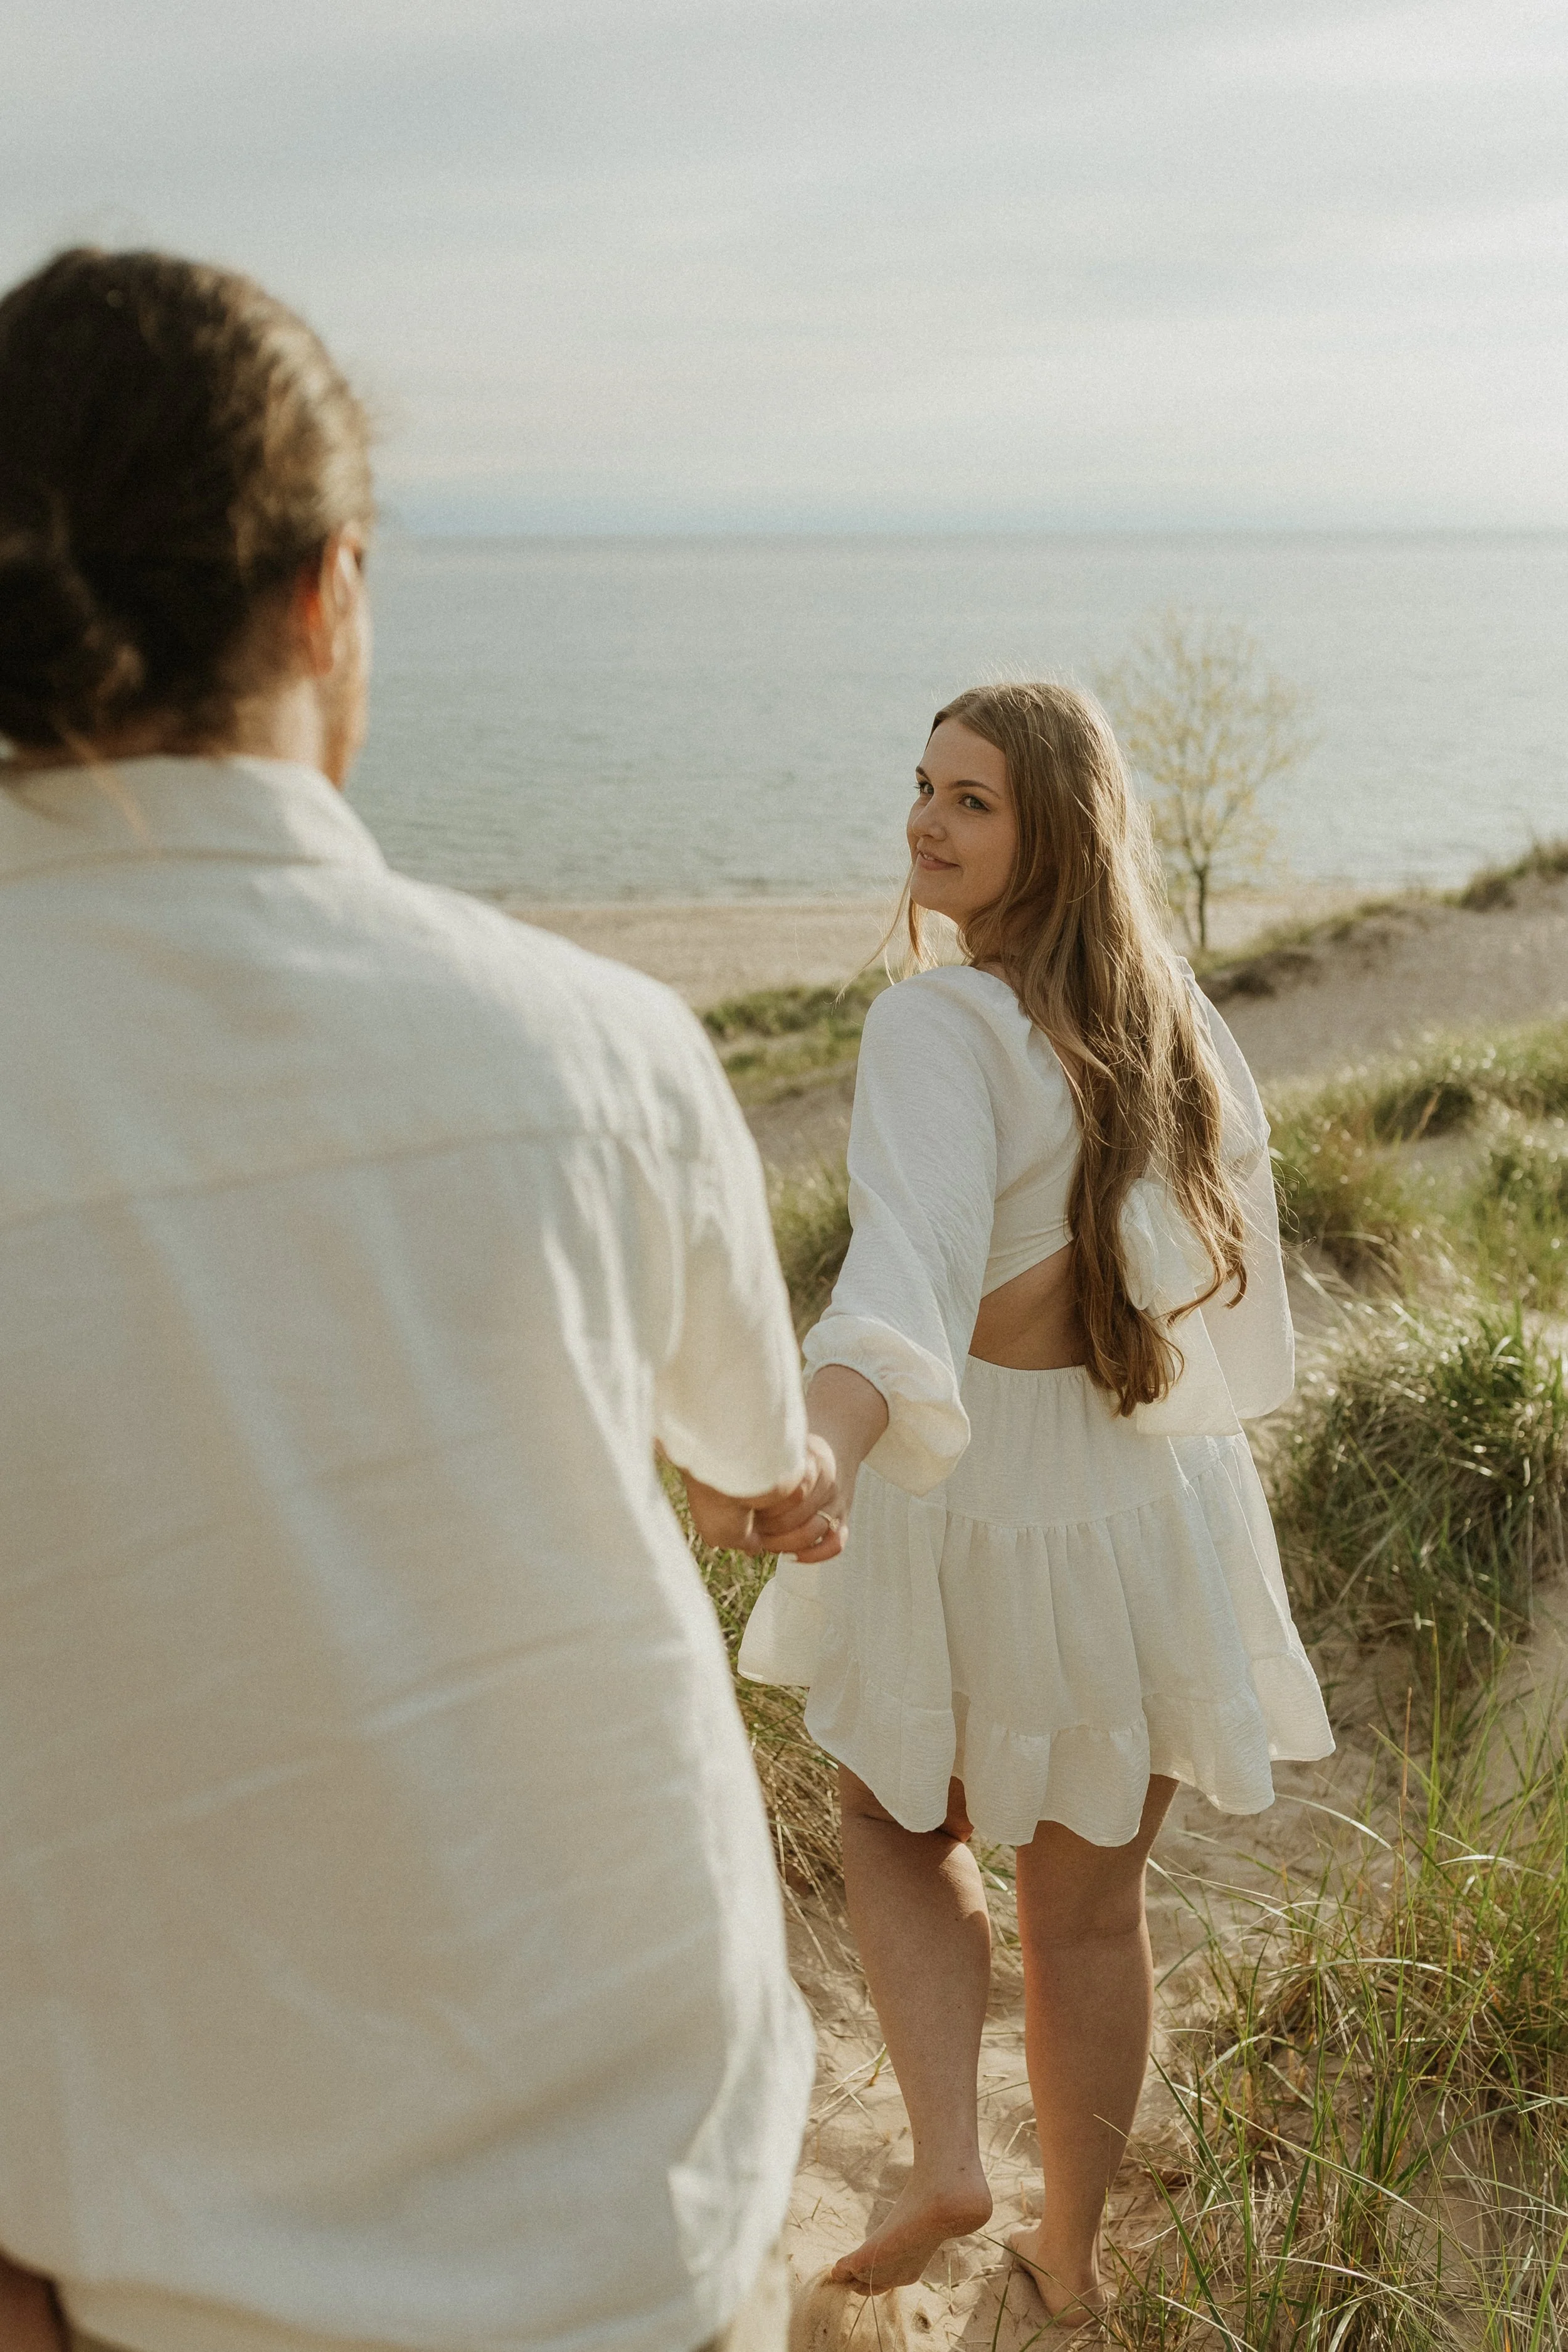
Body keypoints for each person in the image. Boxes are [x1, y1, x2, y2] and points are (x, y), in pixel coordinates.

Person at [0, 248, 842, 2352]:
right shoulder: (599, 1048)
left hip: (163, 2254)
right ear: (324, 594)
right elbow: (753, 1453)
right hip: (643, 2216)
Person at [739, 682, 1335, 2320]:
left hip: (970, 1497)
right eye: (922, 783)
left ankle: (948, 2150)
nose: (926, 819)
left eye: (973, 799)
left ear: (1052, 829)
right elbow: (1220, 1306)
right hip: (1149, 1500)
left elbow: (901, 1289)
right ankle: (1066, 2260)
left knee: (889, 1817)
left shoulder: (936, 1023)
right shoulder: (1167, 1020)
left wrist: (828, 1446)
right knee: (1086, 1912)